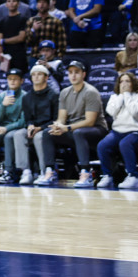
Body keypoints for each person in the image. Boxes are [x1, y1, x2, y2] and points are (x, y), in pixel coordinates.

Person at [50, 60, 108, 188]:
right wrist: (58, 126)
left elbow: (90, 121)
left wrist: (67, 127)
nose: (73, 75)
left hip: (97, 130)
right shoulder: (65, 92)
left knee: (78, 133)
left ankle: (85, 173)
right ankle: (49, 171)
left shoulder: (90, 92)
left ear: (84, 74)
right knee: (47, 133)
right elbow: (62, 118)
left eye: (77, 72)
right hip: (74, 129)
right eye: (70, 72)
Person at [96, 72, 138, 189]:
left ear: (133, 83)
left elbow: (134, 111)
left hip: (135, 131)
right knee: (102, 145)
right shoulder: (114, 97)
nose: (124, 84)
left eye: (127, 81)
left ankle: (133, 176)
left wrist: (127, 95)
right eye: (121, 81)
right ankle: (107, 176)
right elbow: (111, 111)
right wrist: (121, 96)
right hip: (117, 131)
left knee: (125, 144)